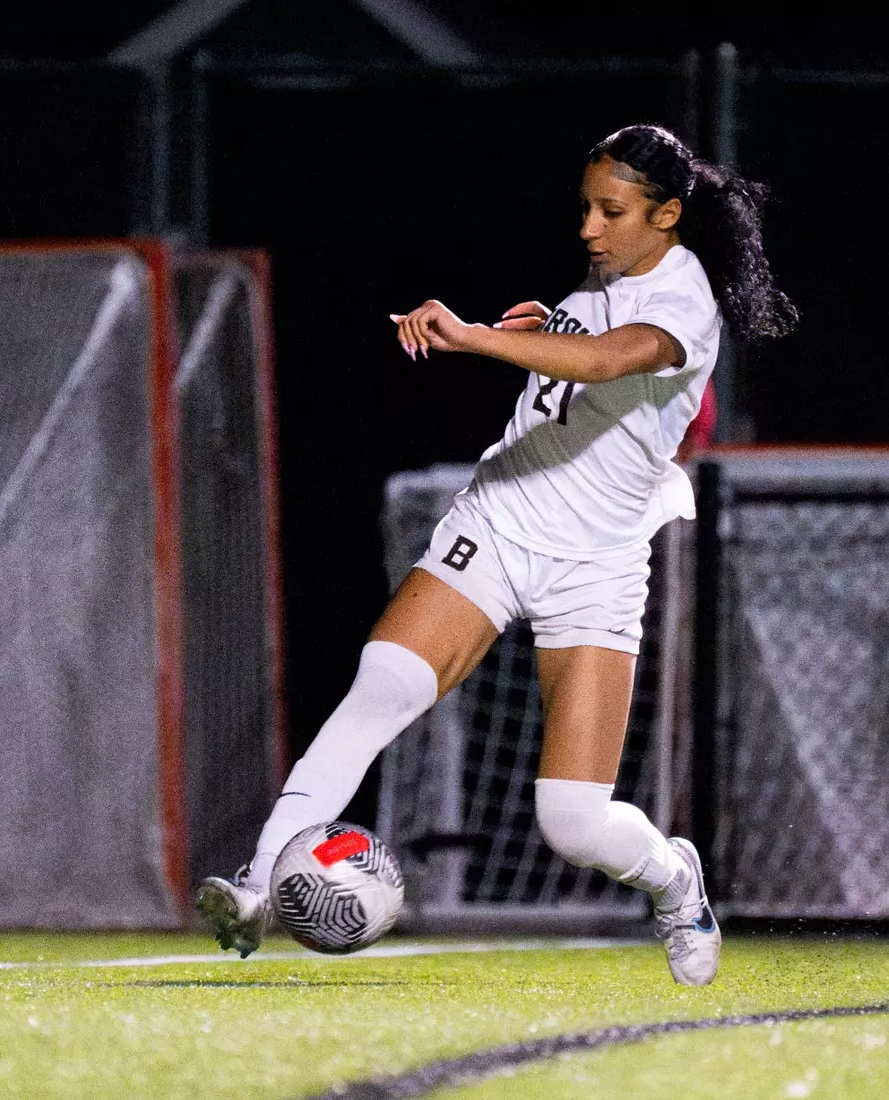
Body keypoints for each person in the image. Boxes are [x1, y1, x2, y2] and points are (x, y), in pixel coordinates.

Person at [197, 124, 797, 986]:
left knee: (572, 821)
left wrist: (477, 335)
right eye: (585, 207)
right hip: (504, 518)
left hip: (598, 564)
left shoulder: (684, 300)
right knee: (384, 684)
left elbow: (604, 360)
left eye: (611, 211)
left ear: (667, 214)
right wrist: (542, 321)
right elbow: (580, 344)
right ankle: (259, 885)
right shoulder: (612, 274)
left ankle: (674, 879)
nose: (589, 229)